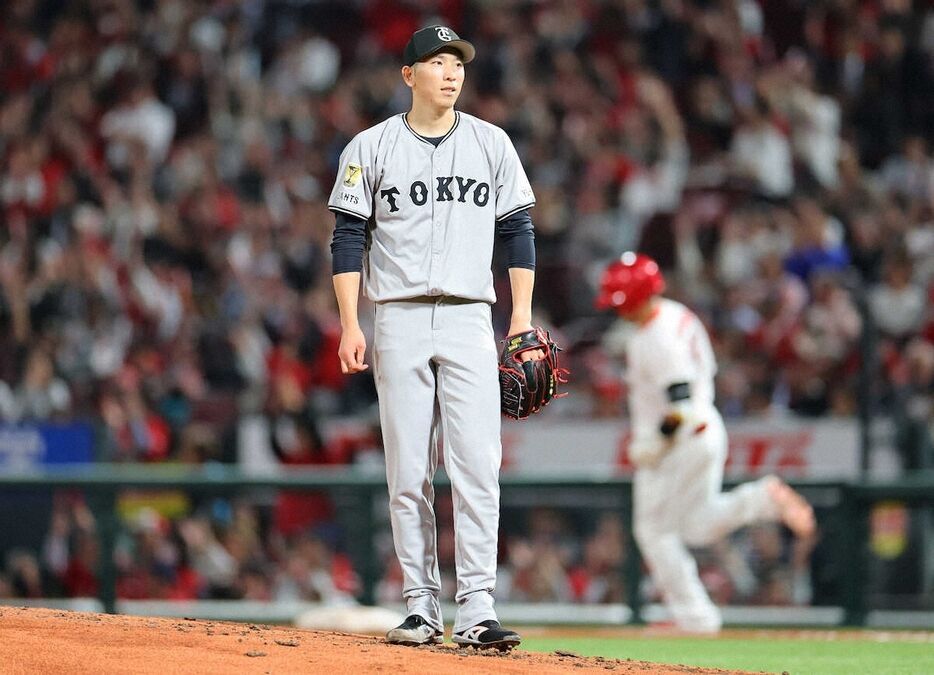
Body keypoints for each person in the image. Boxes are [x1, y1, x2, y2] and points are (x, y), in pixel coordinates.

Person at [328, 25, 541, 650]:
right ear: (408, 75)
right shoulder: (370, 147)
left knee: (478, 466)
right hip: (396, 317)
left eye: (458, 64)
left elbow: (519, 231)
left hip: (471, 314)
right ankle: (421, 607)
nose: (451, 73)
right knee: (408, 472)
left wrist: (521, 319)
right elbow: (347, 239)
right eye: (437, 62)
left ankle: (477, 607)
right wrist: (350, 323)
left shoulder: (491, 142)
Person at [595, 252, 816, 633]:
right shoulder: (677, 314)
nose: (618, 309)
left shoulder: (655, 336)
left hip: (679, 440)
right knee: (696, 525)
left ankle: (694, 617)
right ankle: (761, 499)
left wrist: (655, 444)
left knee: (654, 531)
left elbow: (680, 406)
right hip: (706, 429)